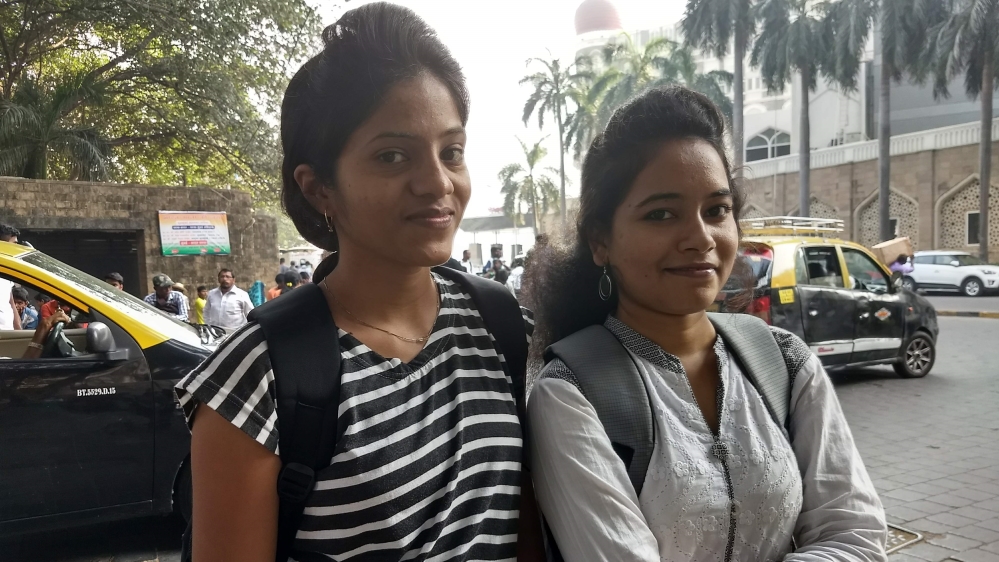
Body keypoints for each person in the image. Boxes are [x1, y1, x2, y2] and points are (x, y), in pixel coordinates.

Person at [175, 5, 541, 560]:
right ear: (320, 188)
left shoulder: (503, 326)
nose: (436, 182)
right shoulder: (259, 374)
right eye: (392, 156)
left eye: (452, 152)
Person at [525, 87, 887, 561]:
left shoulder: (784, 363)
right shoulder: (572, 393)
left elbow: (856, 534)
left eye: (716, 210)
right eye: (661, 214)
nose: (700, 237)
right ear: (601, 241)